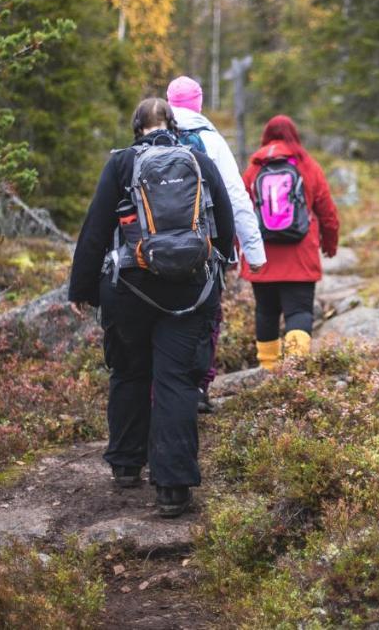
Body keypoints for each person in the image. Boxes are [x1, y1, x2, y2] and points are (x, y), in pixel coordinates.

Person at [68, 97, 235, 518]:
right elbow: (225, 225)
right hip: (190, 291)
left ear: (135, 127)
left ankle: (126, 465)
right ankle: (173, 489)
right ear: (173, 125)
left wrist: (82, 288)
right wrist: (219, 274)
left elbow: (95, 229)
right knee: (176, 380)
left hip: (130, 290)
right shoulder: (198, 161)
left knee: (129, 371)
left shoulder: (121, 164)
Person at [165, 76, 265, 413]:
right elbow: (237, 197)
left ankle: (162, 389)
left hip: (153, 247)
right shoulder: (212, 141)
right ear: (199, 103)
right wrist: (254, 251)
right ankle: (197, 389)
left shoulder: (152, 138)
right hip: (206, 248)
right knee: (206, 317)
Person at [241, 115, 339, 368]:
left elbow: (240, 212)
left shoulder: (254, 169)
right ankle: (294, 369)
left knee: (265, 312)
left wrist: (236, 249)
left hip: (262, 256)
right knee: (299, 312)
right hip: (300, 255)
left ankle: (268, 368)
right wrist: (330, 243)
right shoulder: (308, 167)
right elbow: (327, 212)